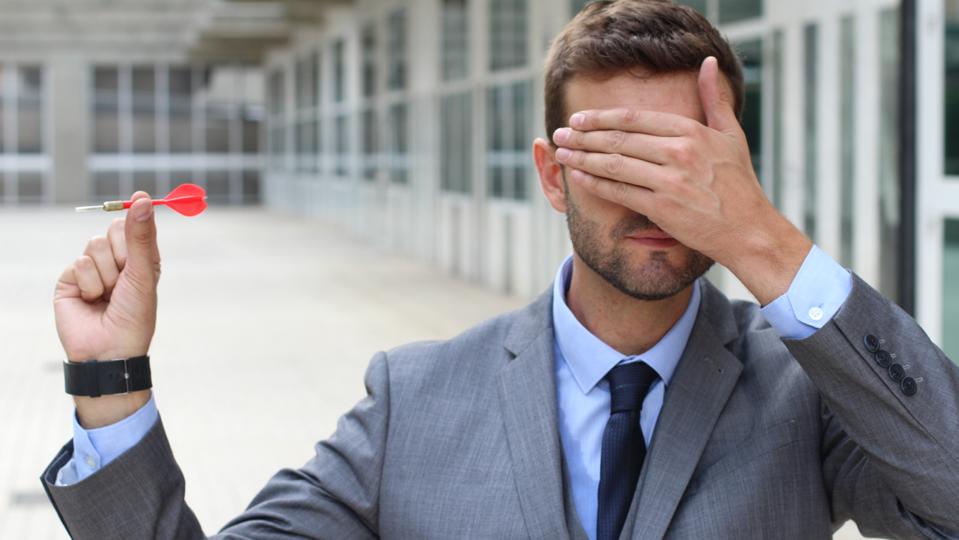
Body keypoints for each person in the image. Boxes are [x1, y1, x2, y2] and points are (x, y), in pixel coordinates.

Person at [42, 1, 959, 539]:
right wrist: (109, 385)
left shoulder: (806, 397)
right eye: (612, 162)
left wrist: (761, 239)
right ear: (551, 176)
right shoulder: (415, 400)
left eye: (676, 164)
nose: (651, 203)